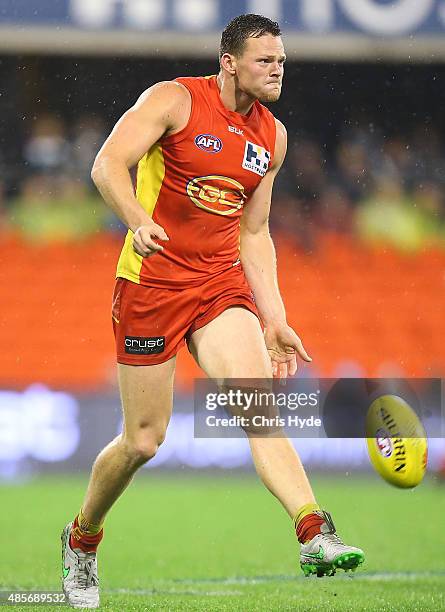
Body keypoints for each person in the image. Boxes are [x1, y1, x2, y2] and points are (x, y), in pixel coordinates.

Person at [61, 14, 364, 609]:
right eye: (265, 60)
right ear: (230, 62)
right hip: (150, 284)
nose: (277, 69)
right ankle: (82, 538)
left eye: (282, 60)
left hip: (219, 285)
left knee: (257, 406)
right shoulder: (174, 100)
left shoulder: (271, 138)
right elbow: (106, 165)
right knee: (143, 442)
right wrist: (138, 221)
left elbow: (255, 232)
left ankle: (314, 532)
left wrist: (274, 317)